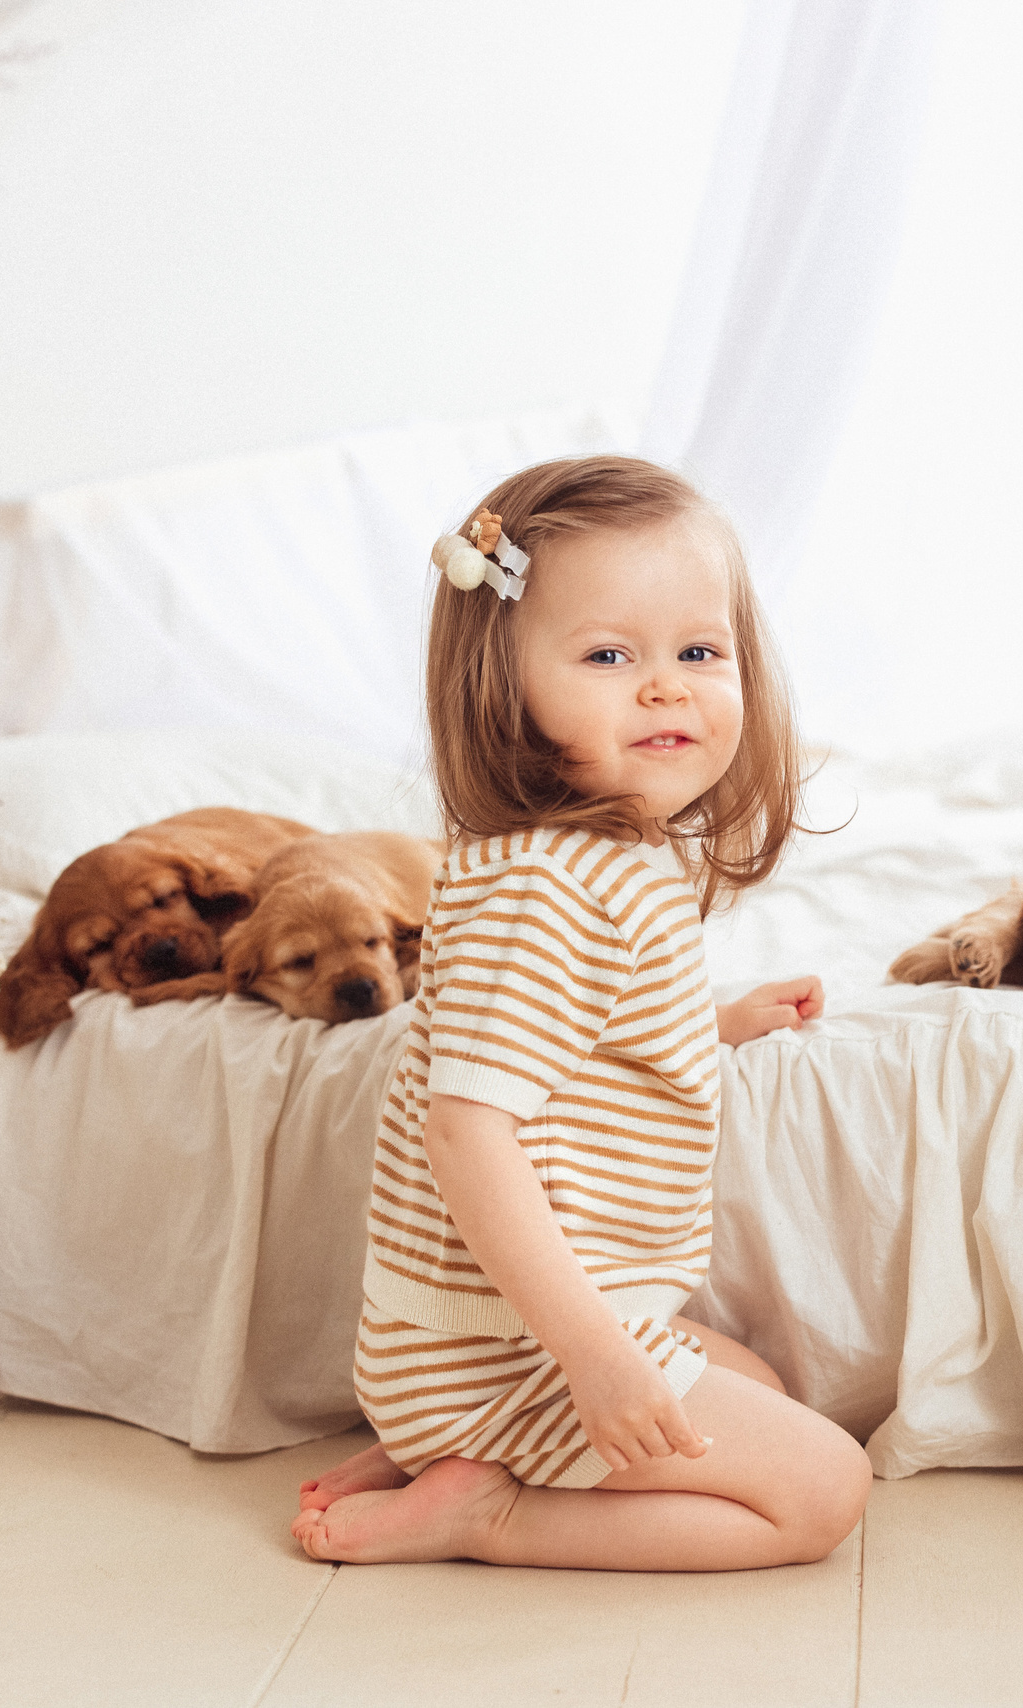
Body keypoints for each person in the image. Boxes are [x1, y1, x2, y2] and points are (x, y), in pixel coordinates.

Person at [290, 456, 871, 1570]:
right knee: (822, 1490)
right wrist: (595, 1356)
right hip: (496, 1347)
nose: (665, 687)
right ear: (503, 689)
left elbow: (570, 1043)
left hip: (507, 1336)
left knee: (763, 1391)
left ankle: (441, 1454)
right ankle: (486, 1507)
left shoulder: (595, 862)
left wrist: (707, 1024)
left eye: (699, 652)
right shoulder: (549, 889)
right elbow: (469, 1129)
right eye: (609, 655)